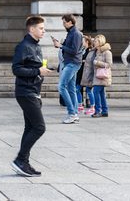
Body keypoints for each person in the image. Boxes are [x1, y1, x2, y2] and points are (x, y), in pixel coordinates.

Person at [11, 15, 51, 177]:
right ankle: (20, 159)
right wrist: (37, 71)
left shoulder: (35, 46)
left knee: (30, 127)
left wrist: (41, 72)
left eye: (43, 28)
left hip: (33, 91)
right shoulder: (24, 46)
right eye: (41, 28)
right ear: (32, 28)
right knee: (39, 127)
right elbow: (16, 69)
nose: (44, 31)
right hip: (25, 92)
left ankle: (24, 163)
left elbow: (33, 66)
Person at [51, 14, 83, 124]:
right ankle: (75, 114)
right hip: (70, 62)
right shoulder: (71, 33)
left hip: (72, 63)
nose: (63, 24)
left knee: (61, 86)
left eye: (64, 22)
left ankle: (72, 113)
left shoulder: (76, 34)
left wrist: (61, 46)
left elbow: (74, 51)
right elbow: (68, 48)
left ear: (70, 22)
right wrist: (59, 45)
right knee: (71, 89)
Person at [91, 34, 112, 118]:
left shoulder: (107, 52)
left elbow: (109, 64)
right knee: (101, 94)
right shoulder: (96, 51)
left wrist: (97, 63)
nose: (94, 42)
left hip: (102, 76)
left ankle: (98, 111)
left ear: (100, 42)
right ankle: (104, 111)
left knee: (95, 92)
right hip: (97, 76)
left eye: (96, 41)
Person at [78, 35, 96, 116]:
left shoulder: (90, 51)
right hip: (81, 72)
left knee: (89, 90)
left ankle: (93, 107)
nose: (82, 42)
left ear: (87, 42)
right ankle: (80, 105)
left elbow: (91, 61)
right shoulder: (83, 50)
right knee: (77, 89)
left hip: (87, 73)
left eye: (83, 41)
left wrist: (83, 61)